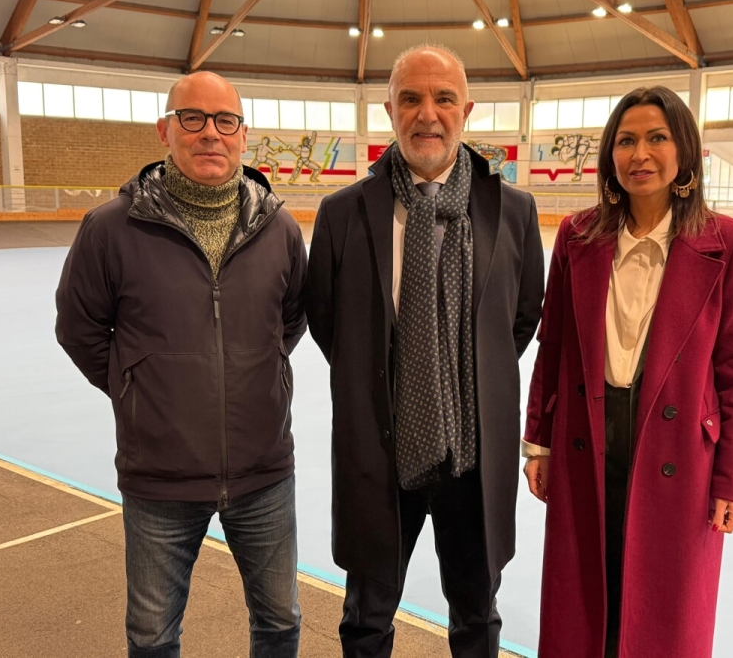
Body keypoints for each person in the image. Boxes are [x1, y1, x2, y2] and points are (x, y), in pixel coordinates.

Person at [55, 71, 306, 658]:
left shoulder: (280, 229)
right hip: (158, 478)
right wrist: (139, 387)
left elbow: (290, 320)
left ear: (243, 135)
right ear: (164, 130)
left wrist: (256, 371)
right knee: (152, 635)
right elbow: (80, 329)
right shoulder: (110, 228)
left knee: (280, 622)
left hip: (264, 472)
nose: (210, 133)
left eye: (225, 120)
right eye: (192, 118)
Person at [304, 44, 544, 658]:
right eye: (410, 99)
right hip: (380, 451)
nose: (427, 114)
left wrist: (467, 381)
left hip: (473, 454)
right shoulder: (342, 214)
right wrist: (390, 385)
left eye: (443, 99)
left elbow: (519, 320)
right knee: (366, 617)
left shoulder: (513, 211)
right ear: (390, 110)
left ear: (466, 110)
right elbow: (330, 325)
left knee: (477, 616)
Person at [522, 85, 733, 658]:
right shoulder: (577, 237)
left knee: (662, 607)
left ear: (684, 150)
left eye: (657, 138)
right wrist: (538, 442)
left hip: (680, 450)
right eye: (626, 141)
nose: (640, 154)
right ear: (610, 155)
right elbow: (552, 346)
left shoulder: (732, 245)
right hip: (587, 434)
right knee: (585, 595)